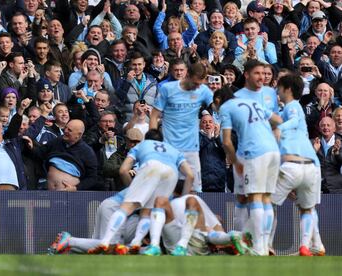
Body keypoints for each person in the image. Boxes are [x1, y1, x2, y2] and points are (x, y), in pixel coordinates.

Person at [87, 129, 194, 254]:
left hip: (150, 167)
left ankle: (105, 241)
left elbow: (123, 170)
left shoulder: (142, 145)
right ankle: (143, 243)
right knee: (151, 210)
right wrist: (184, 199)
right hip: (172, 172)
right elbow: (190, 175)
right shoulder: (174, 150)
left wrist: (132, 188)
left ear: (146, 139)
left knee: (126, 207)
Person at [217, 86, 282, 256]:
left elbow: (226, 142)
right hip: (273, 151)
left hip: (254, 152)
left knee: (254, 197)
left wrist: (235, 161)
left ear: (217, 101)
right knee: (266, 198)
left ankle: (258, 247)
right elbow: (278, 119)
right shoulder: (252, 102)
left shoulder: (225, 107)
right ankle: (265, 244)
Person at [270, 74, 323, 256]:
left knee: (266, 204)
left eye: (279, 87)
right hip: (311, 165)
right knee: (307, 208)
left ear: (288, 89)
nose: (277, 90)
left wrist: (278, 128)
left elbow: (292, 122)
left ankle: (265, 245)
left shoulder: (292, 107)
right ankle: (311, 246)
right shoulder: (290, 109)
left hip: (294, 164)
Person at [150, 62, 213, 192]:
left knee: (194, 190)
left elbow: (220, 108)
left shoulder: (203, 90)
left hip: (192, 149)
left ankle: (190, 213)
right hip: (169, 147)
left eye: (200, 84)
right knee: (168, 189)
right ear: (187, 75)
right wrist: (153, 141)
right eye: (195, 83)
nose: (197, 87)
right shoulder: (167, 89)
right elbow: (154, 116)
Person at [148, 194, 250, 256]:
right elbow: (218, 230)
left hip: (192, 244)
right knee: (160, 200)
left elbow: (216, 231)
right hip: (177, 243)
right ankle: (154, 246)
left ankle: (181, 246)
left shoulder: (188, 199)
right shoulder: (192, 198)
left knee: (160, 200)